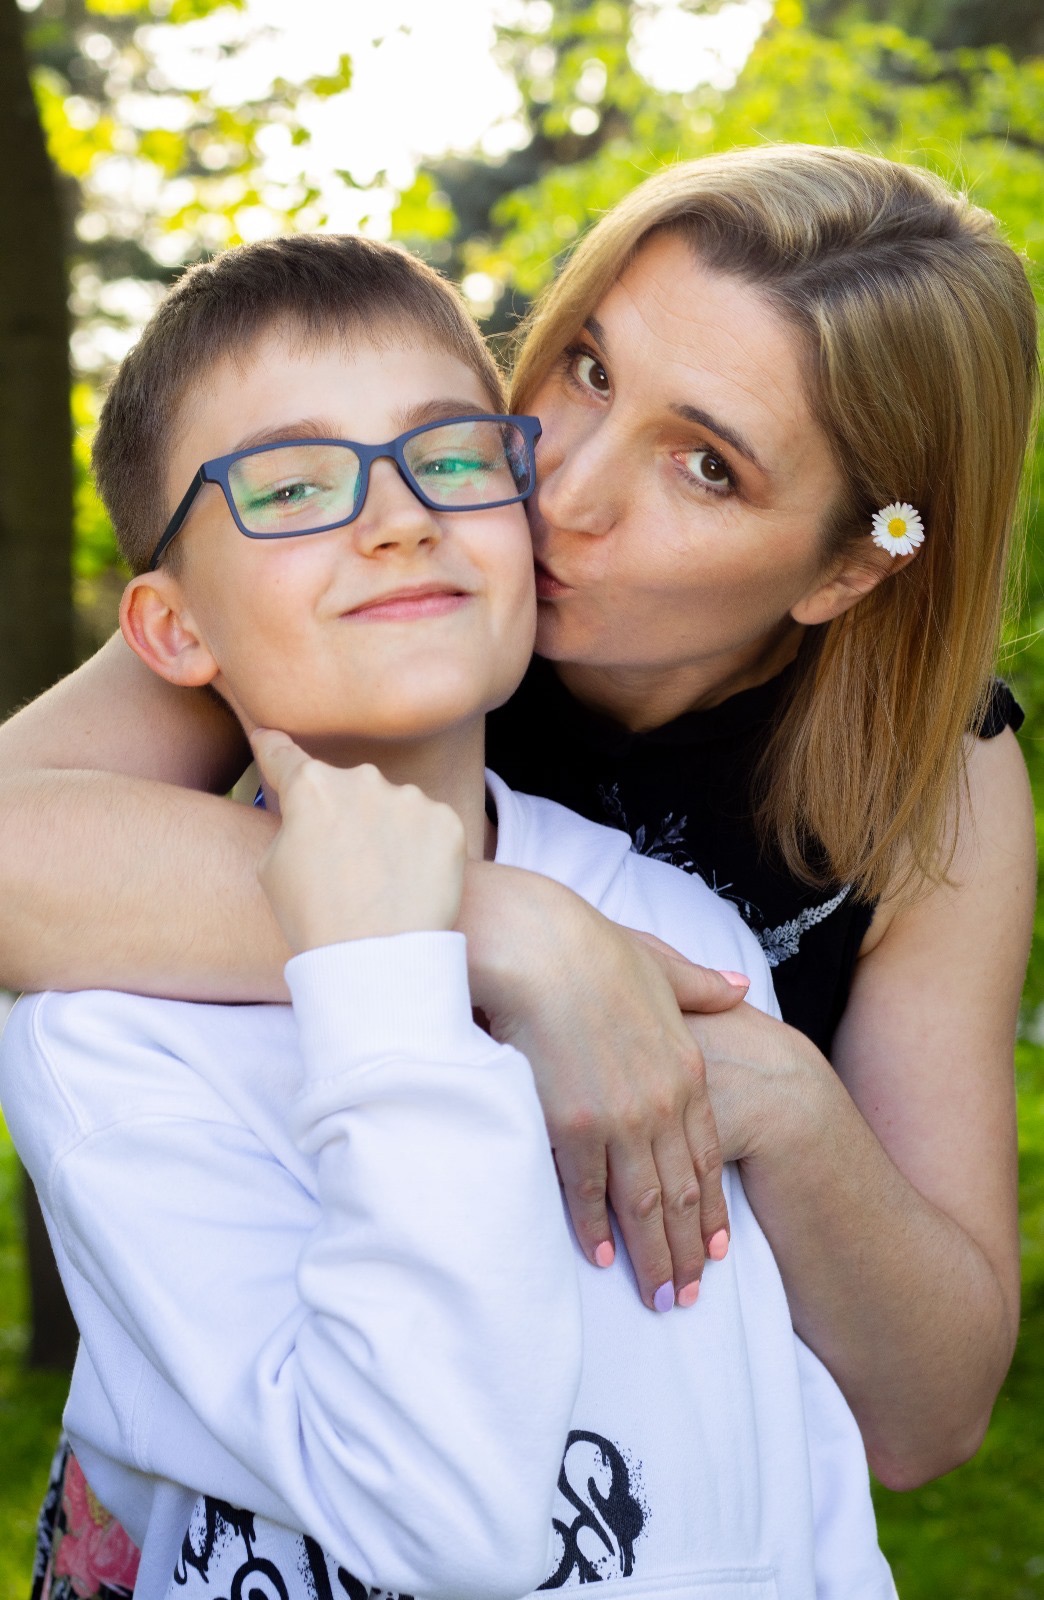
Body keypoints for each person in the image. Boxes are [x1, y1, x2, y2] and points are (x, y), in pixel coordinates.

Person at [0, 144, 1035, 1517]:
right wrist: (513, 929)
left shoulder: (930, 777)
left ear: (846, 568)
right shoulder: (391, 567)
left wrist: (777, 1102)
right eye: (591, 371)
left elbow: (928, 1410)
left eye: (707, 467)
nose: (564, 494)